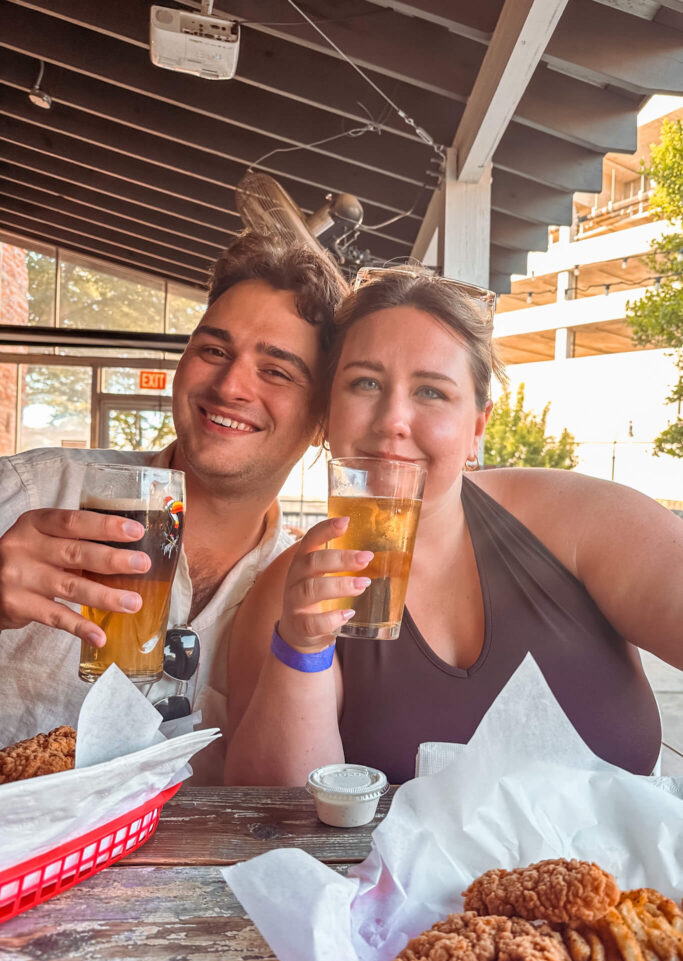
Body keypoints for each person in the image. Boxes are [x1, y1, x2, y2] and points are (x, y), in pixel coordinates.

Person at [224, 265, 683, 786]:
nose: (393, 419)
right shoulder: (288, 594)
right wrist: (301, 649)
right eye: (365, 383)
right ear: (328, 415)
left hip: (625, 867)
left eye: (431, 392)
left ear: (476, 429)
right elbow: (274, 814)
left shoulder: (584, 520)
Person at [0, 233, 348, 784]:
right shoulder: (32, 490)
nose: (231, 384)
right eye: (214, 350)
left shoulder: (302, 596)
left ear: (323, 420)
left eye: (277, 371)